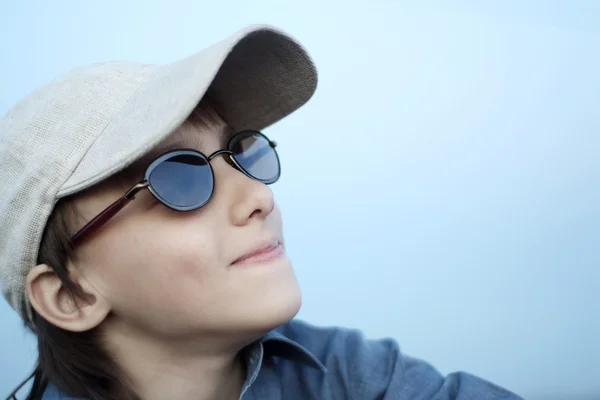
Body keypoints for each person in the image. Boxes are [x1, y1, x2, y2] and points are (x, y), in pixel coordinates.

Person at [0, 25, 522, 400]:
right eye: (180, 177)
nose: (259, 197)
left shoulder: (351, 374)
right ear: (70, 295)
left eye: (242, 152)